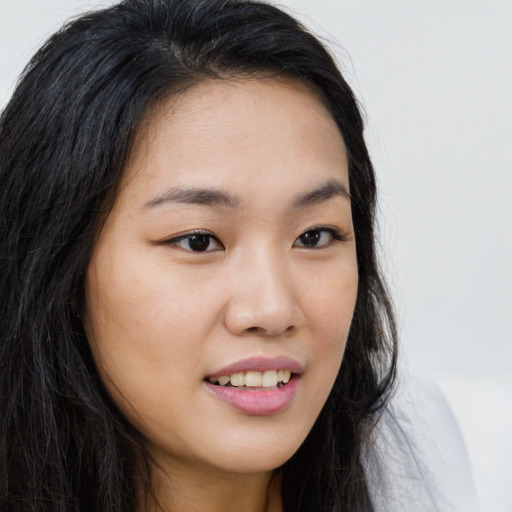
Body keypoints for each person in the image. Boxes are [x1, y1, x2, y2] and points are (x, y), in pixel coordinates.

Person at [0, 1, 402, 510]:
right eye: (198, 241)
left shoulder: (435, 466)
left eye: (315, 235)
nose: (272, 310)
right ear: (62, 267)